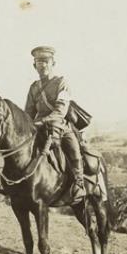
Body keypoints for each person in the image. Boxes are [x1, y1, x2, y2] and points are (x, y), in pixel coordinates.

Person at [24, 45, 85, 205]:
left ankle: (79, 184)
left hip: (60, 125)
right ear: (34, 65)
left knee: (73, 149)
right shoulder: (34, 87)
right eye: (39, 62)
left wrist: (42, 121)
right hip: (38, 127)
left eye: (46, 61)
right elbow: (28, 112)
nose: (42, 65)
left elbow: (60, 110)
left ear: (53, 63)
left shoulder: (61, 83)